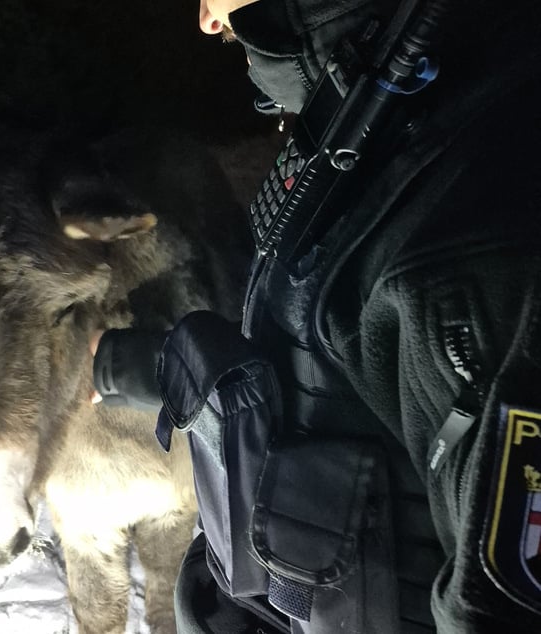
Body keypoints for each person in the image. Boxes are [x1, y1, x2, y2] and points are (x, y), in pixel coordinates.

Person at [90, 0, 541, 631]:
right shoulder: (390, 122)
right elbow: (339, 375)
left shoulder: (484, 192)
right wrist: (138, 368)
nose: (206, 21)